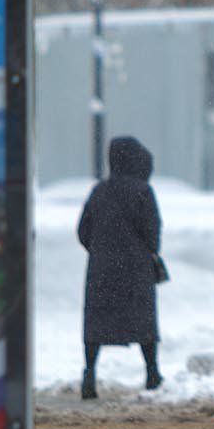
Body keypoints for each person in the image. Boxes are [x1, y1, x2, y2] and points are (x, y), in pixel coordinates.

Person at [76, 136, 165, 398]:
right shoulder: (143, 191)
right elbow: (152, 232)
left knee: (96, 325)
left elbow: (83, 230)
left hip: (102, 270)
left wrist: (101, 250)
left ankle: (89, 375)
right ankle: (151, 373)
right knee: (143, 323)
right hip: (136, 271)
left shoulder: (99, 191)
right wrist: (145, 251)